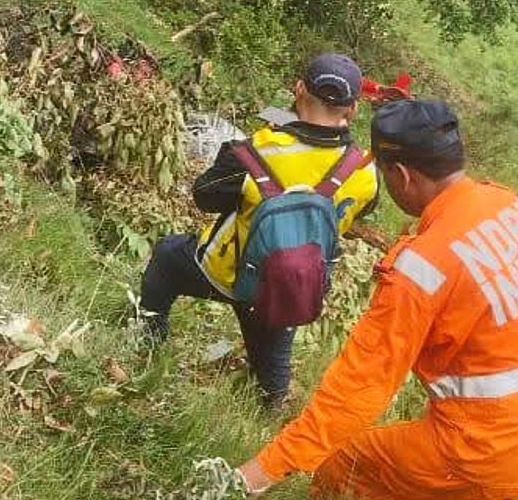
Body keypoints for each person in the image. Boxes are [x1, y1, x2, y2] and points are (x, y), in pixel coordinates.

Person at [235, 98, 518, 500]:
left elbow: (358, 390)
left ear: (400, 174)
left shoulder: (421, 270)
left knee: (347, 469)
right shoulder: (513, 208)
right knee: (471, 493)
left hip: (490, 444)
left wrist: (266, 468)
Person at [136, 54, 381, 409]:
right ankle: (272, 409)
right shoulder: (363, 170)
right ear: (353, 109)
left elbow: (205, 196)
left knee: (166, 257)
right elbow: (362, 209)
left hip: (224, 272)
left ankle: (147, 342)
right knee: (273, 370)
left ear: (298, 90)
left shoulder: (255, 150)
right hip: (290, 286)